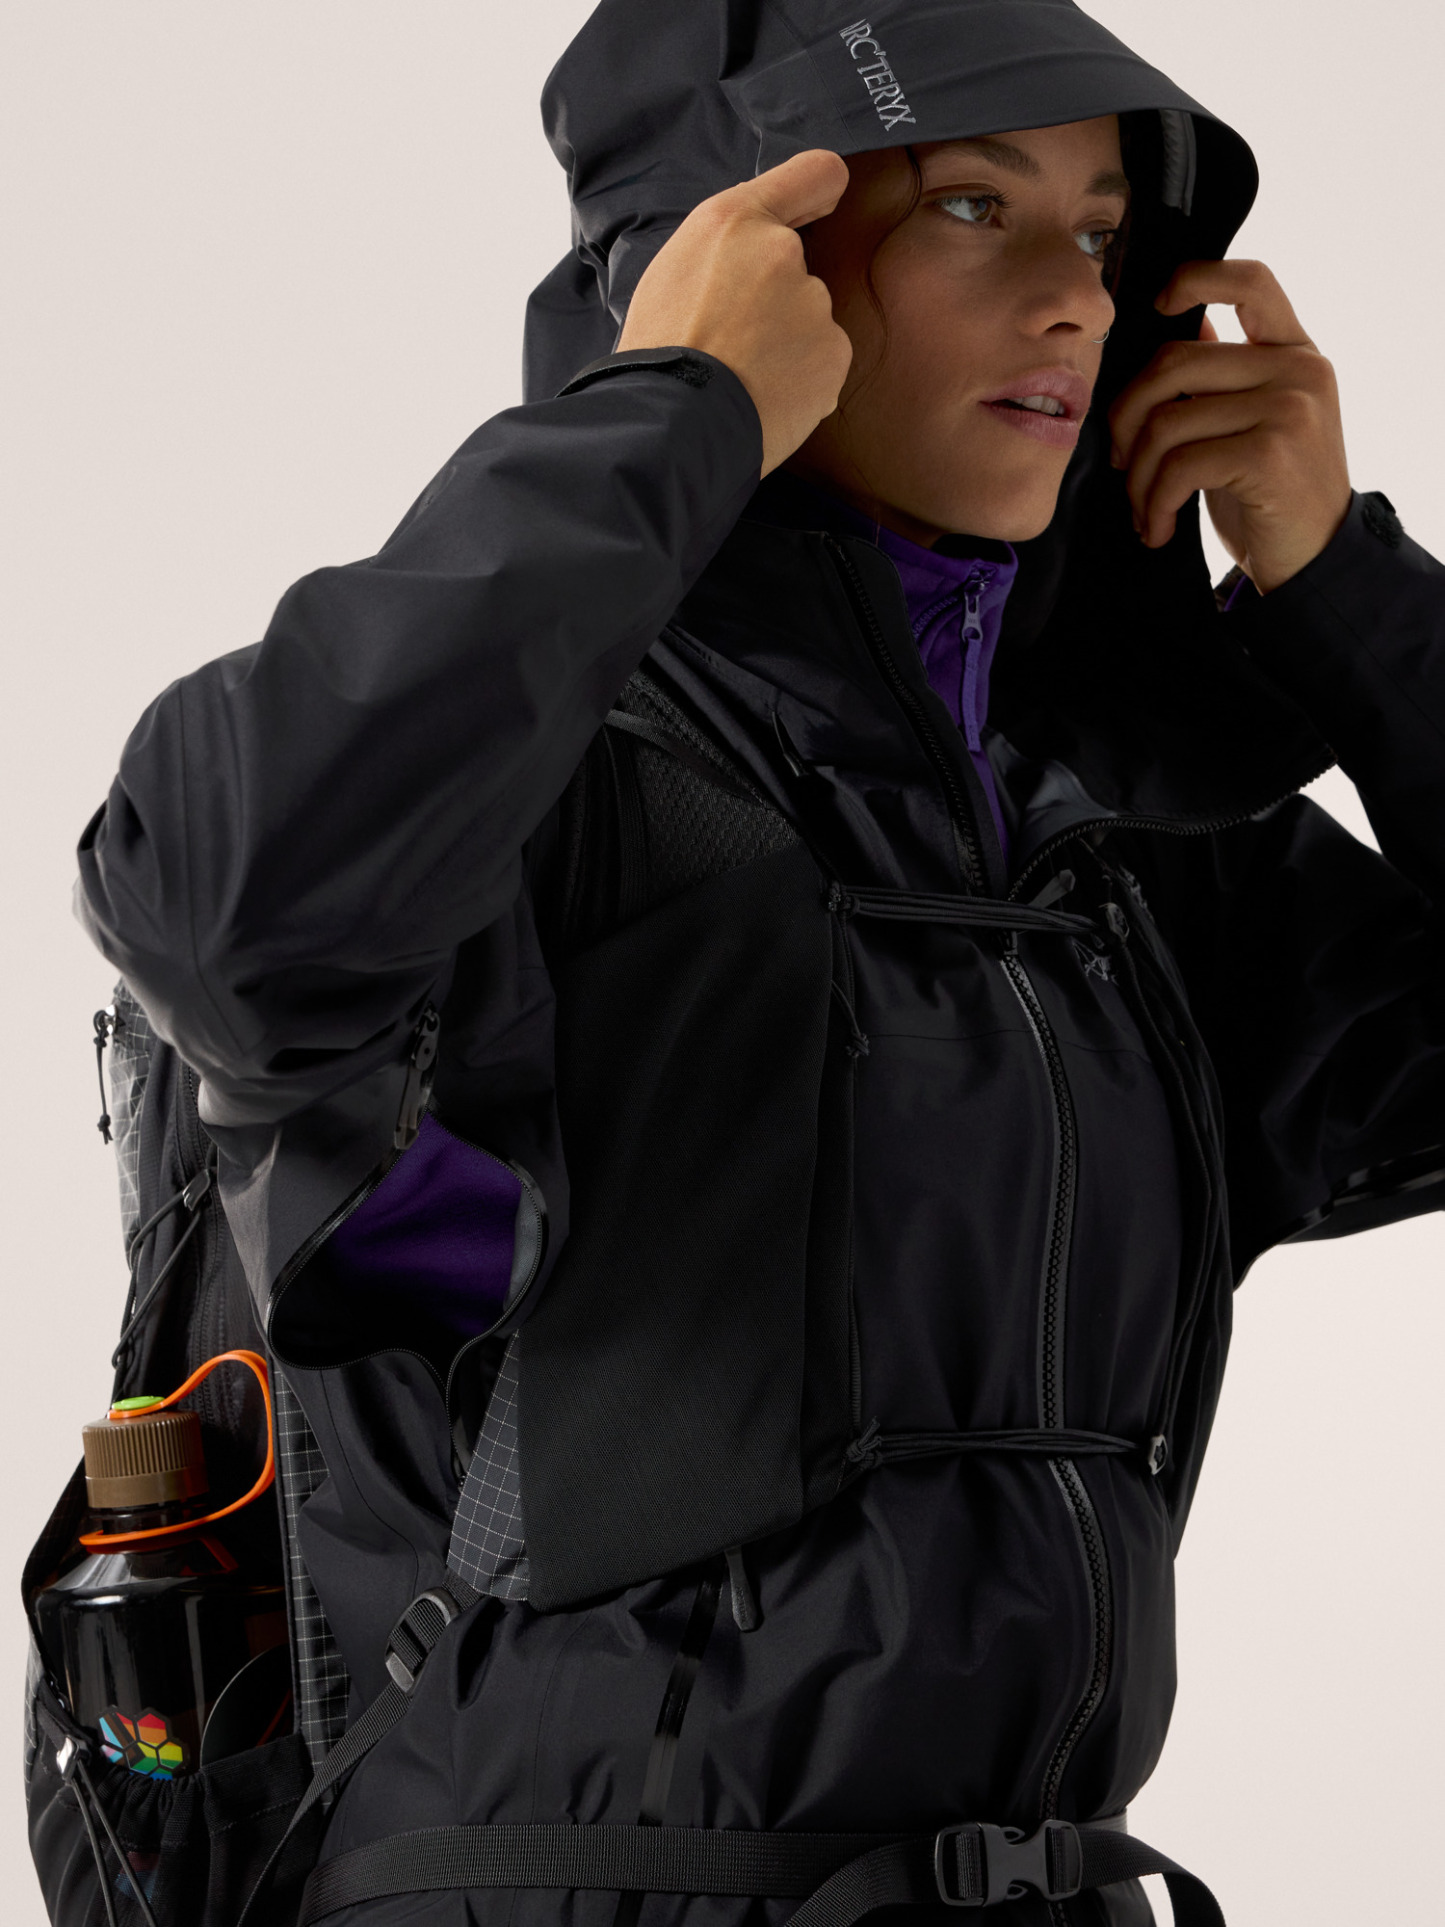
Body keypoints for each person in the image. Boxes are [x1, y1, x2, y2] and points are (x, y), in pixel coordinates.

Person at [70, 1, 1445, 1923]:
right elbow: (223, 907)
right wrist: (667, 416)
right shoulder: (515, 796)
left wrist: (1357, 606)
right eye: (971, 204)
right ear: (736, 255)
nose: (1073, 296)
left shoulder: (1111, 844)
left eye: (1100, 229)